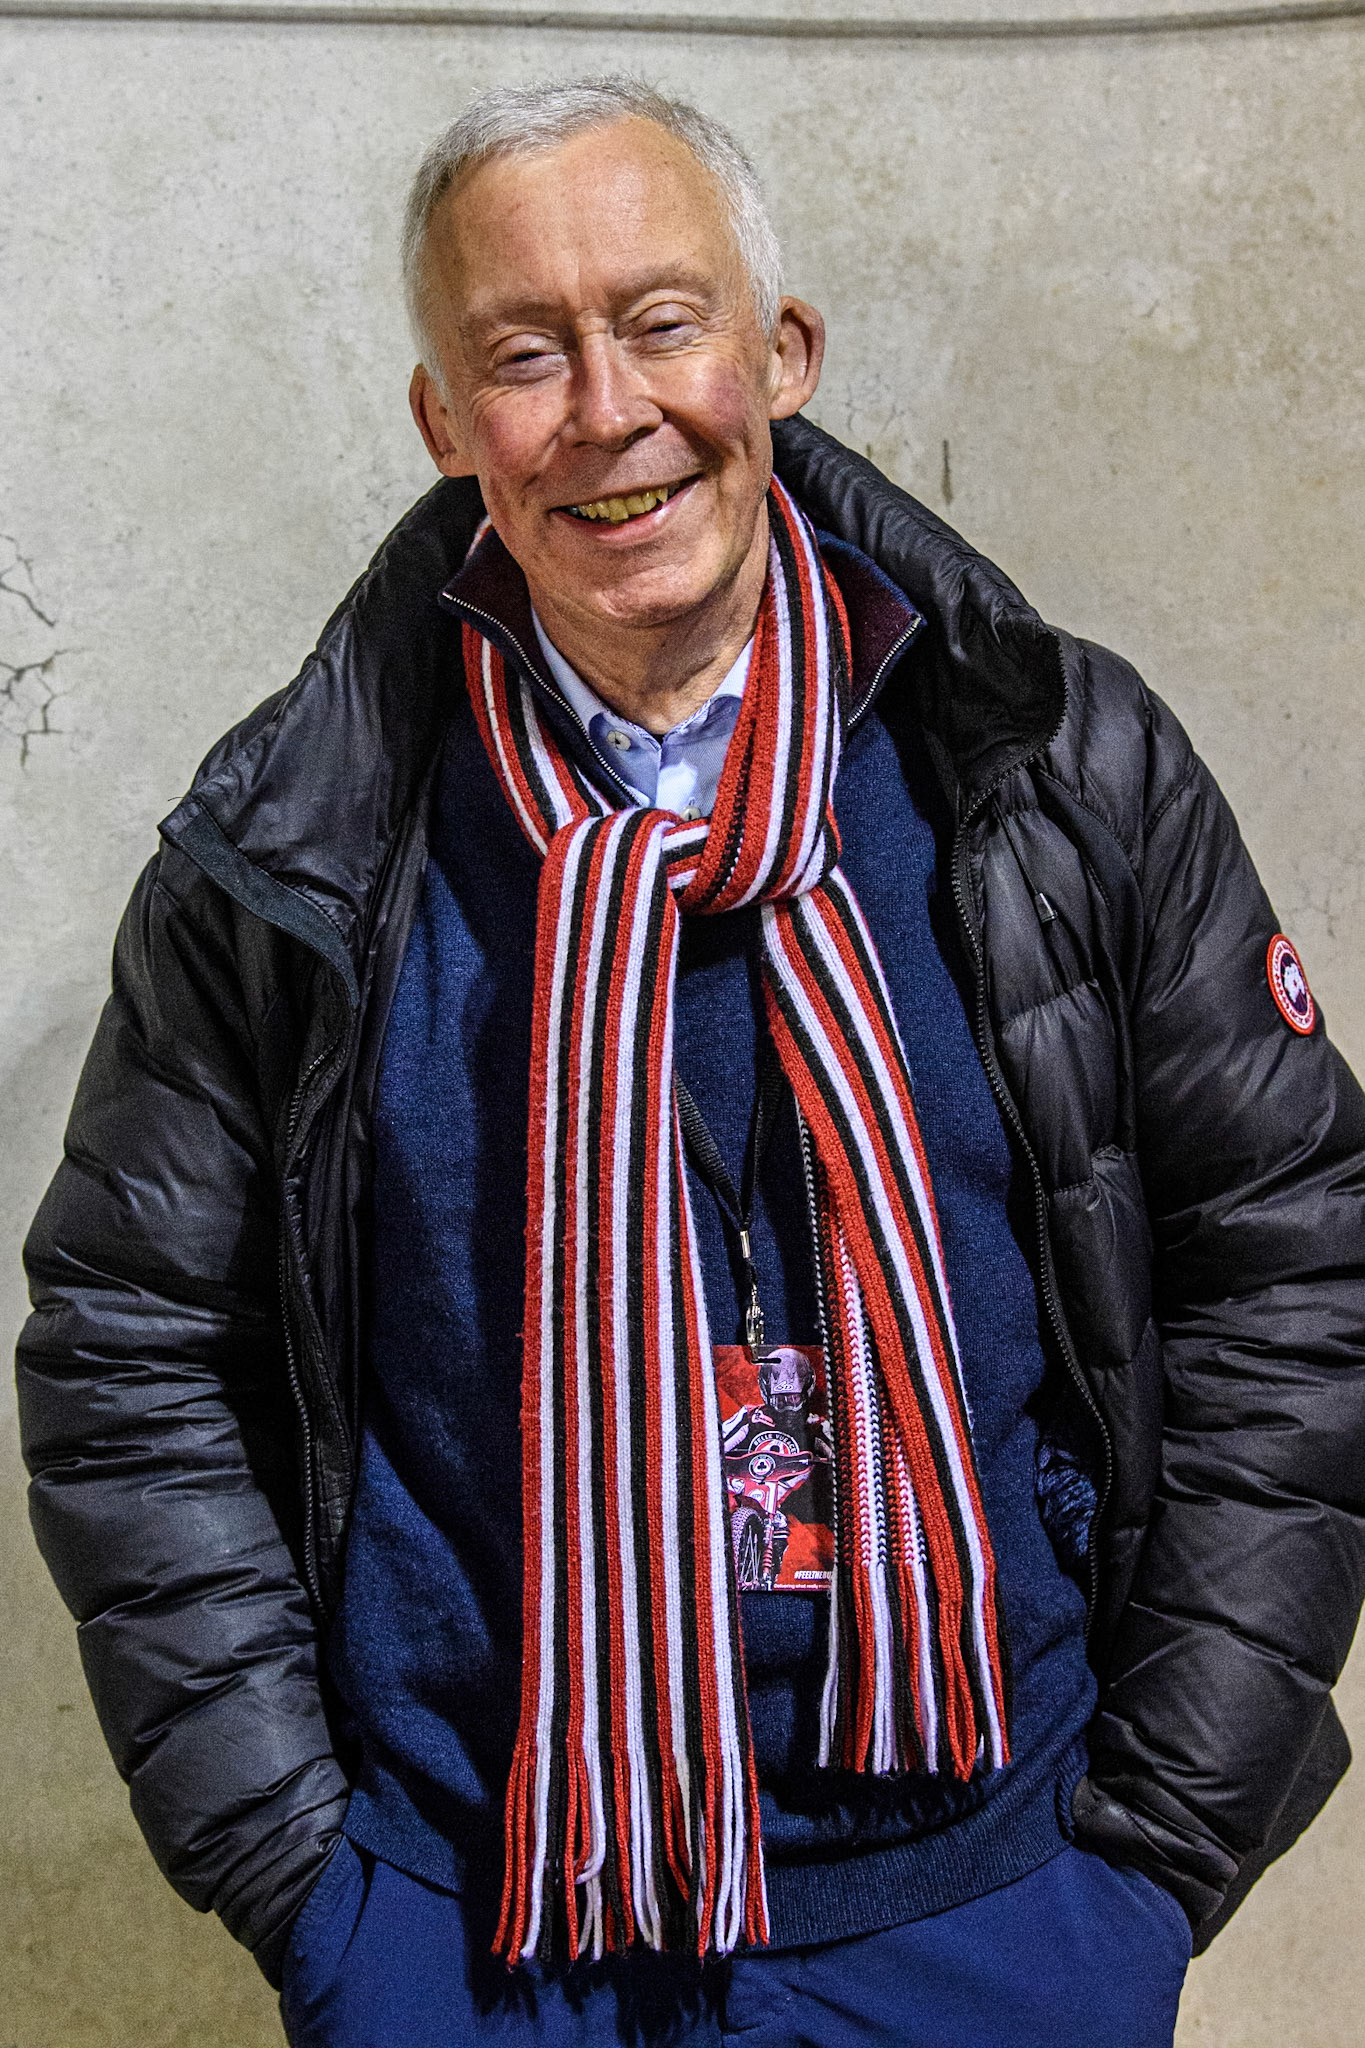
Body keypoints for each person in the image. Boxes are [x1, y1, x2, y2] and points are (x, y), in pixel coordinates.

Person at [17, 75, 1365, 2048]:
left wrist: (1151, 1849)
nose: (606, 409)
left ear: (776, 355)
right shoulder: (297, 844)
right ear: (440, 422)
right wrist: (307, 1884)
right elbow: (126, 1344)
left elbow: (1290, 1252)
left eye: (659, 322)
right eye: (520, 353)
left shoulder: (1049, 771)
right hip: (476, 1932)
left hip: (994, 1908)